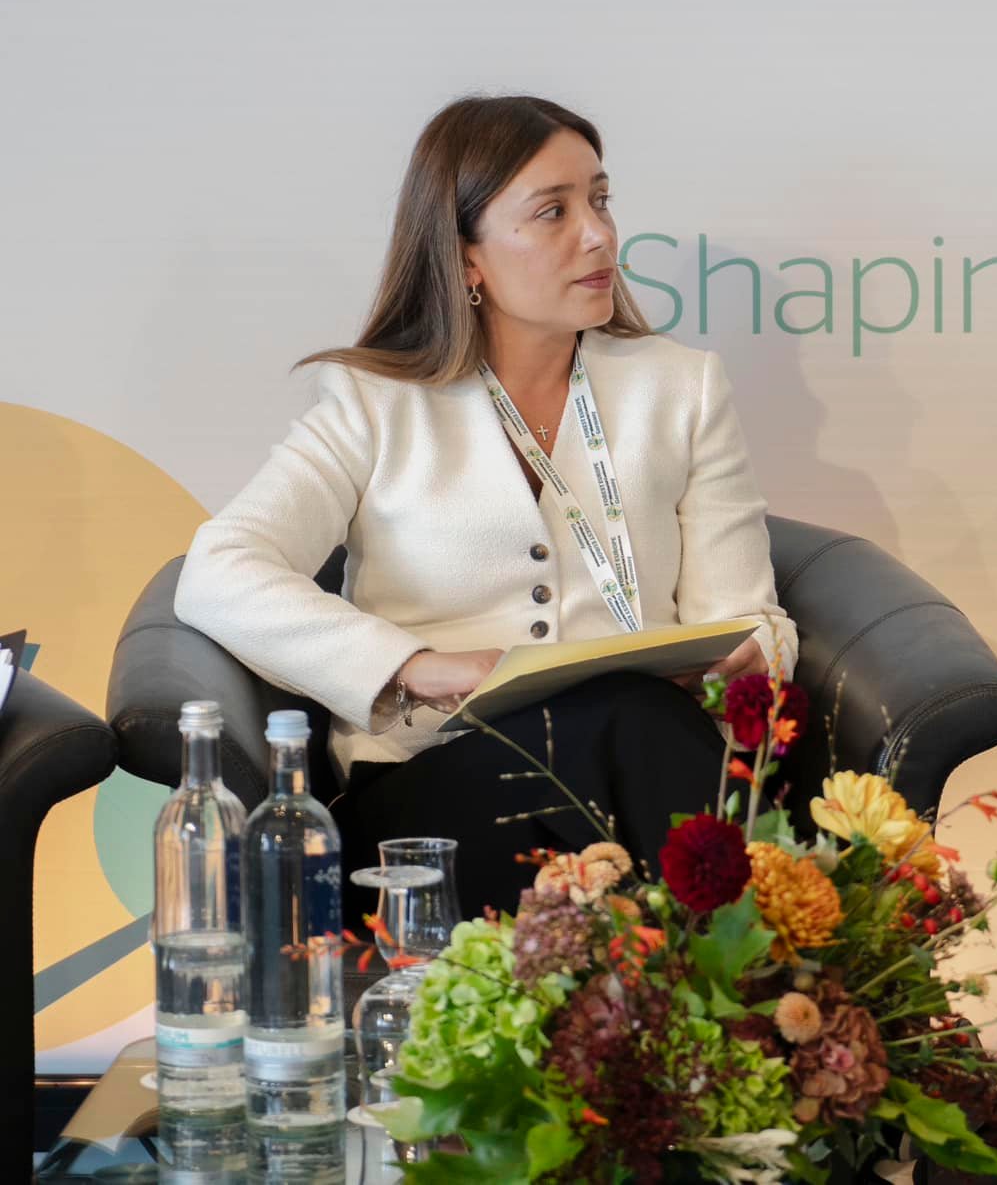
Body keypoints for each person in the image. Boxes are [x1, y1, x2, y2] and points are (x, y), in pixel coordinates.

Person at [175, 95, 795, 914]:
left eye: (601, 200)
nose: (599, 235)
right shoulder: (373, 403)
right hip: (439, 796)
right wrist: (410, 667)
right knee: (633, 723)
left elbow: (752, 620)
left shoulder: (681, 388)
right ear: (466, 256)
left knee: (634, 717)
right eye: (553, 212)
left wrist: (743, 657)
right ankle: (787, 951)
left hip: (642, 761)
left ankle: (735, 956)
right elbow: (217, 571)